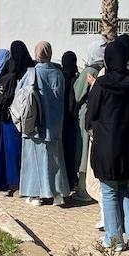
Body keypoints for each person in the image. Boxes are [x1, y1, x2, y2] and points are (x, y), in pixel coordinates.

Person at [87, 40, 129, 250]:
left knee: (109, 191)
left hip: (106, 144)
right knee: (123, 186)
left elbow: (91, 114)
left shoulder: (102, 84)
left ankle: (114, 238)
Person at [19, 42, 71, 206]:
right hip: (55, 125)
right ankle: (58, 195)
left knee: (34, 161)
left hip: (34, 125)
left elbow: (20, 94)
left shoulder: (32, 73)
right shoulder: (58, 74)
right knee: (55, 161)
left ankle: (35, 195)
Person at [0, 41, 34, 194]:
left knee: (10, 152)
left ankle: (11, 183)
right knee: (26, 152)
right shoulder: (31, 69)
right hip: (28, 117)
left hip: (9, 118)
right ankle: (26, 183)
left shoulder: (9, 68)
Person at [72, 37, 107, 200]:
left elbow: (77, 94)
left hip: (86, 114)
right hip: (102, 116)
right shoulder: (107, 69)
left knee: (84, 149)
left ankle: (83, 189)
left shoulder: (89, 71)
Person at [61, 51, 79, 191]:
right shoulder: (76, 77)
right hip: (73, 119)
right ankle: (72, 179)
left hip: (61, 118)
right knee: (71, 152)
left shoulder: (61, 76)